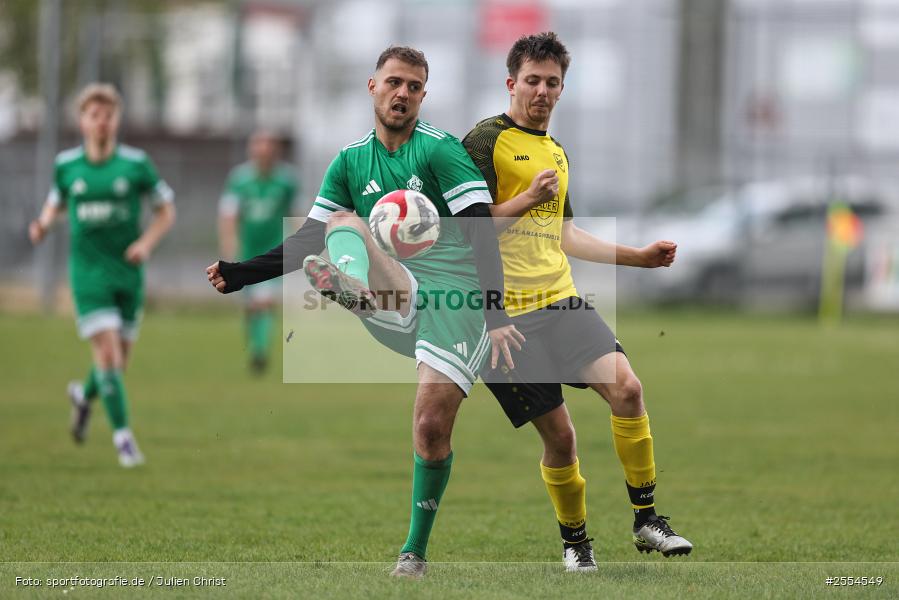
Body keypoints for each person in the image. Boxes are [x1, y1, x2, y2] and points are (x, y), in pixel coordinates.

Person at [205, 46, 523, 579]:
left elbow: (481, 232)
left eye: (414, 87)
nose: (403, 93)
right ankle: (354, 290)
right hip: (396, 295)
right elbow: (307, 238)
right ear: (372, 86)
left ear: (423, 95)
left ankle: (413, 553)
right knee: (340, 223)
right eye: (394, 82)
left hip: (456, 301)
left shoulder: (440, 151)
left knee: (430, 426)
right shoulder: (350, 160)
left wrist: (496, 314)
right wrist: (240, 274)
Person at [462, 32, 693, 571]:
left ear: (562, 89)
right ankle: (575, 543)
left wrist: (639, 258)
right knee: (562, 439)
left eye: (552, 82)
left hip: (561, 301)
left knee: (628, 390)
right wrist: (526, 198)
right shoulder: (483, 142)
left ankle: (647, 520)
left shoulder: (556, 152)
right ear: (511, 82)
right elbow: (467, 231)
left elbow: (564, 235)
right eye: (532, 80)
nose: (541, 91)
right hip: (502, 316)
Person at [29, 83, 176, 467]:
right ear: (82, 121)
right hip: (88, 273)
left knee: (117, 364)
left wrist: (145, 243)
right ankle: (124, 440)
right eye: (94, 115)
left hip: (128, 272)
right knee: (108, 353)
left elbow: (166, 210)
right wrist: (42, 225)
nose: (101, 122)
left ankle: (83, 395)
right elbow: (55, 203)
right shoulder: (66, 166)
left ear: (117, 120)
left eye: (108, 115)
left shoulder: (136, 164)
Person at [218, 130, 298, 373]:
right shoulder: (239, 180)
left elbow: (295, 213)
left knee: (264, 301)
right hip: (247, 249)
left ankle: (259, 352)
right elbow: (228, 214)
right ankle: (255, 344)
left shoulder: (287, 180)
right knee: (251, 305)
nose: (263, 152)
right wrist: (229, 243)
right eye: (258, 147)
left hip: (274, 249)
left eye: (268, 147)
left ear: (275, 152)